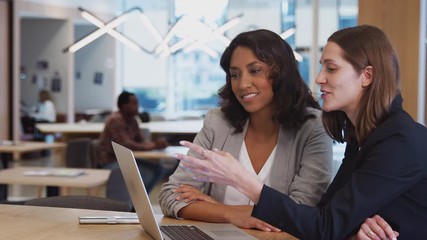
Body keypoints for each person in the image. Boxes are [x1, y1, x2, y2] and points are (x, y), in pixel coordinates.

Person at [175, 25, 427, 239]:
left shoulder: (399, 139)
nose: (318, 79)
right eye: (322, 68)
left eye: (331, 68)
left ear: (367, 76)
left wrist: (243, 181)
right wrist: (354, 228)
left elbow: (324, 225)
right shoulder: (362, 136)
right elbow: (327, 215)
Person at [159, 29, 333, 231]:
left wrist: (214, 206)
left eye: (255, 70)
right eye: (235, 74)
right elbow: (171, 195)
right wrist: (229, 214)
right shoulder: (218, 122)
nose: (242, 84)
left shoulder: (313, 128)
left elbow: (300, 212)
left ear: (281, 72)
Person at [97, 91, 169, 193]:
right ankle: (133, 202)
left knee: (159, 169)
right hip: (111, 161)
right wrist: (154, 145)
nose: (137, 106)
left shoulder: (133, 120)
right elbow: (127, 145)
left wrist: (155, 144)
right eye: (134, 103)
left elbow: (141, 141)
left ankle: (138, 202)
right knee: (145, 173)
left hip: (126, 159)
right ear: (123, 106)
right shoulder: (115, 121)